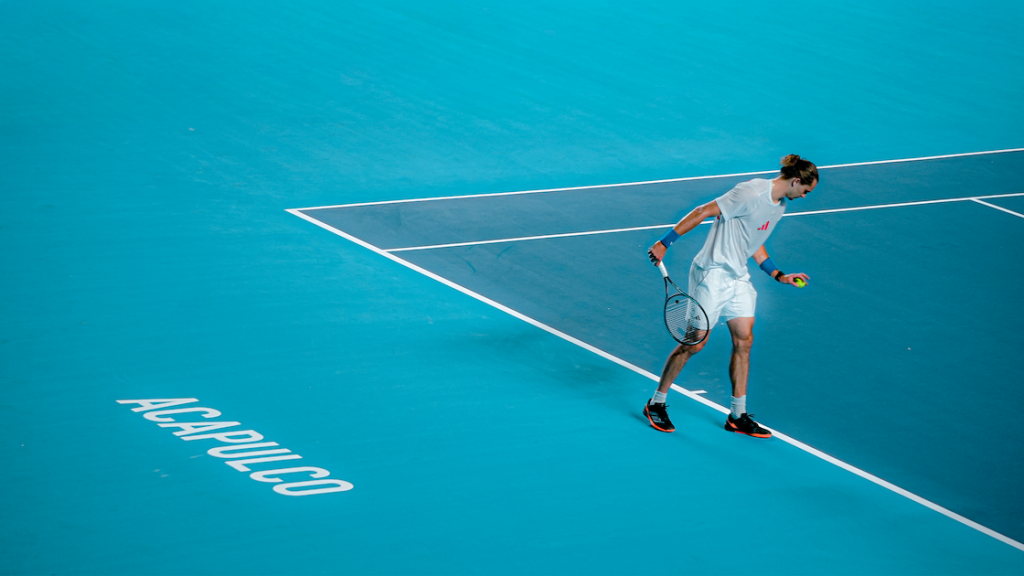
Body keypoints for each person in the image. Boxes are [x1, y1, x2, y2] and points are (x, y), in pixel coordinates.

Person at [643, 154, 818, 438]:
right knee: (694, 344)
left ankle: (737, 415)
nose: (805, 196)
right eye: (806, 191)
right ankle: (656, 403)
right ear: (796, 181)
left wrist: (778, 274)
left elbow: (754, 243)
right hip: (711, 273)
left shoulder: (779, 206)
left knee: (744, 340)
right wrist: (664, 243)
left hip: (738, 278)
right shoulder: (750, 192)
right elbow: (702, 211)